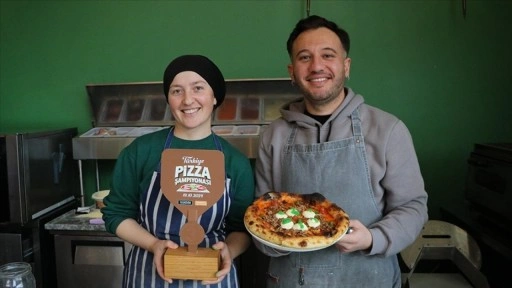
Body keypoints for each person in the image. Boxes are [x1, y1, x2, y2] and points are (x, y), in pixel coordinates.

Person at [254, 15, 429, 287]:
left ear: (346, 66)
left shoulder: (388, 129)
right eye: (304, 57)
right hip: (292, 278)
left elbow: (413, 206)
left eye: (328, 55)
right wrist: (277, 242)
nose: (317, 66)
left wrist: (373, 238)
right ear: (291, 71)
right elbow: (261, 212)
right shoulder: (272, 136)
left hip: (368, 276)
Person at [102, 55, 255, 288]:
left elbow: (241, 227)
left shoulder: (235, 161)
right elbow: (116, 214)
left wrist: (229, 251)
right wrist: (155, 245)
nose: (187, 100)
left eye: (198, 88)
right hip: (148, 274)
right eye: (176, 91)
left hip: (212, 276)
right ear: (168, 99)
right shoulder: (140, 152)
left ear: (214, 96)